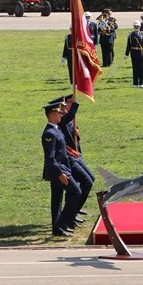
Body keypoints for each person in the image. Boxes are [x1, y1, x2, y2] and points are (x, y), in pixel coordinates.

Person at [41, 98, 84, 237]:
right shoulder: (49, 133)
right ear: (52, 114)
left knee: (57, 199)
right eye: (59, 113)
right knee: (76, 192)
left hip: (62, 169)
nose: (61, 114)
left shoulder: (56, 129)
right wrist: (60, 173)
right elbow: (50, 158)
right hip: (59, 171)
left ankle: (58, 228)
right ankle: (62, 223)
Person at [125, 21, 143, 87]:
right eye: (135, 26)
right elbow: (128, 45)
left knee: (141, 69)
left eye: (137, 26)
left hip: (141, 53)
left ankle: (141, 83)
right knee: (135, 69)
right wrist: (126, 54)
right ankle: (135, 83)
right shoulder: (131, 34)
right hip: (133, 53)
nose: (136, 27)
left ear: (139, 26)